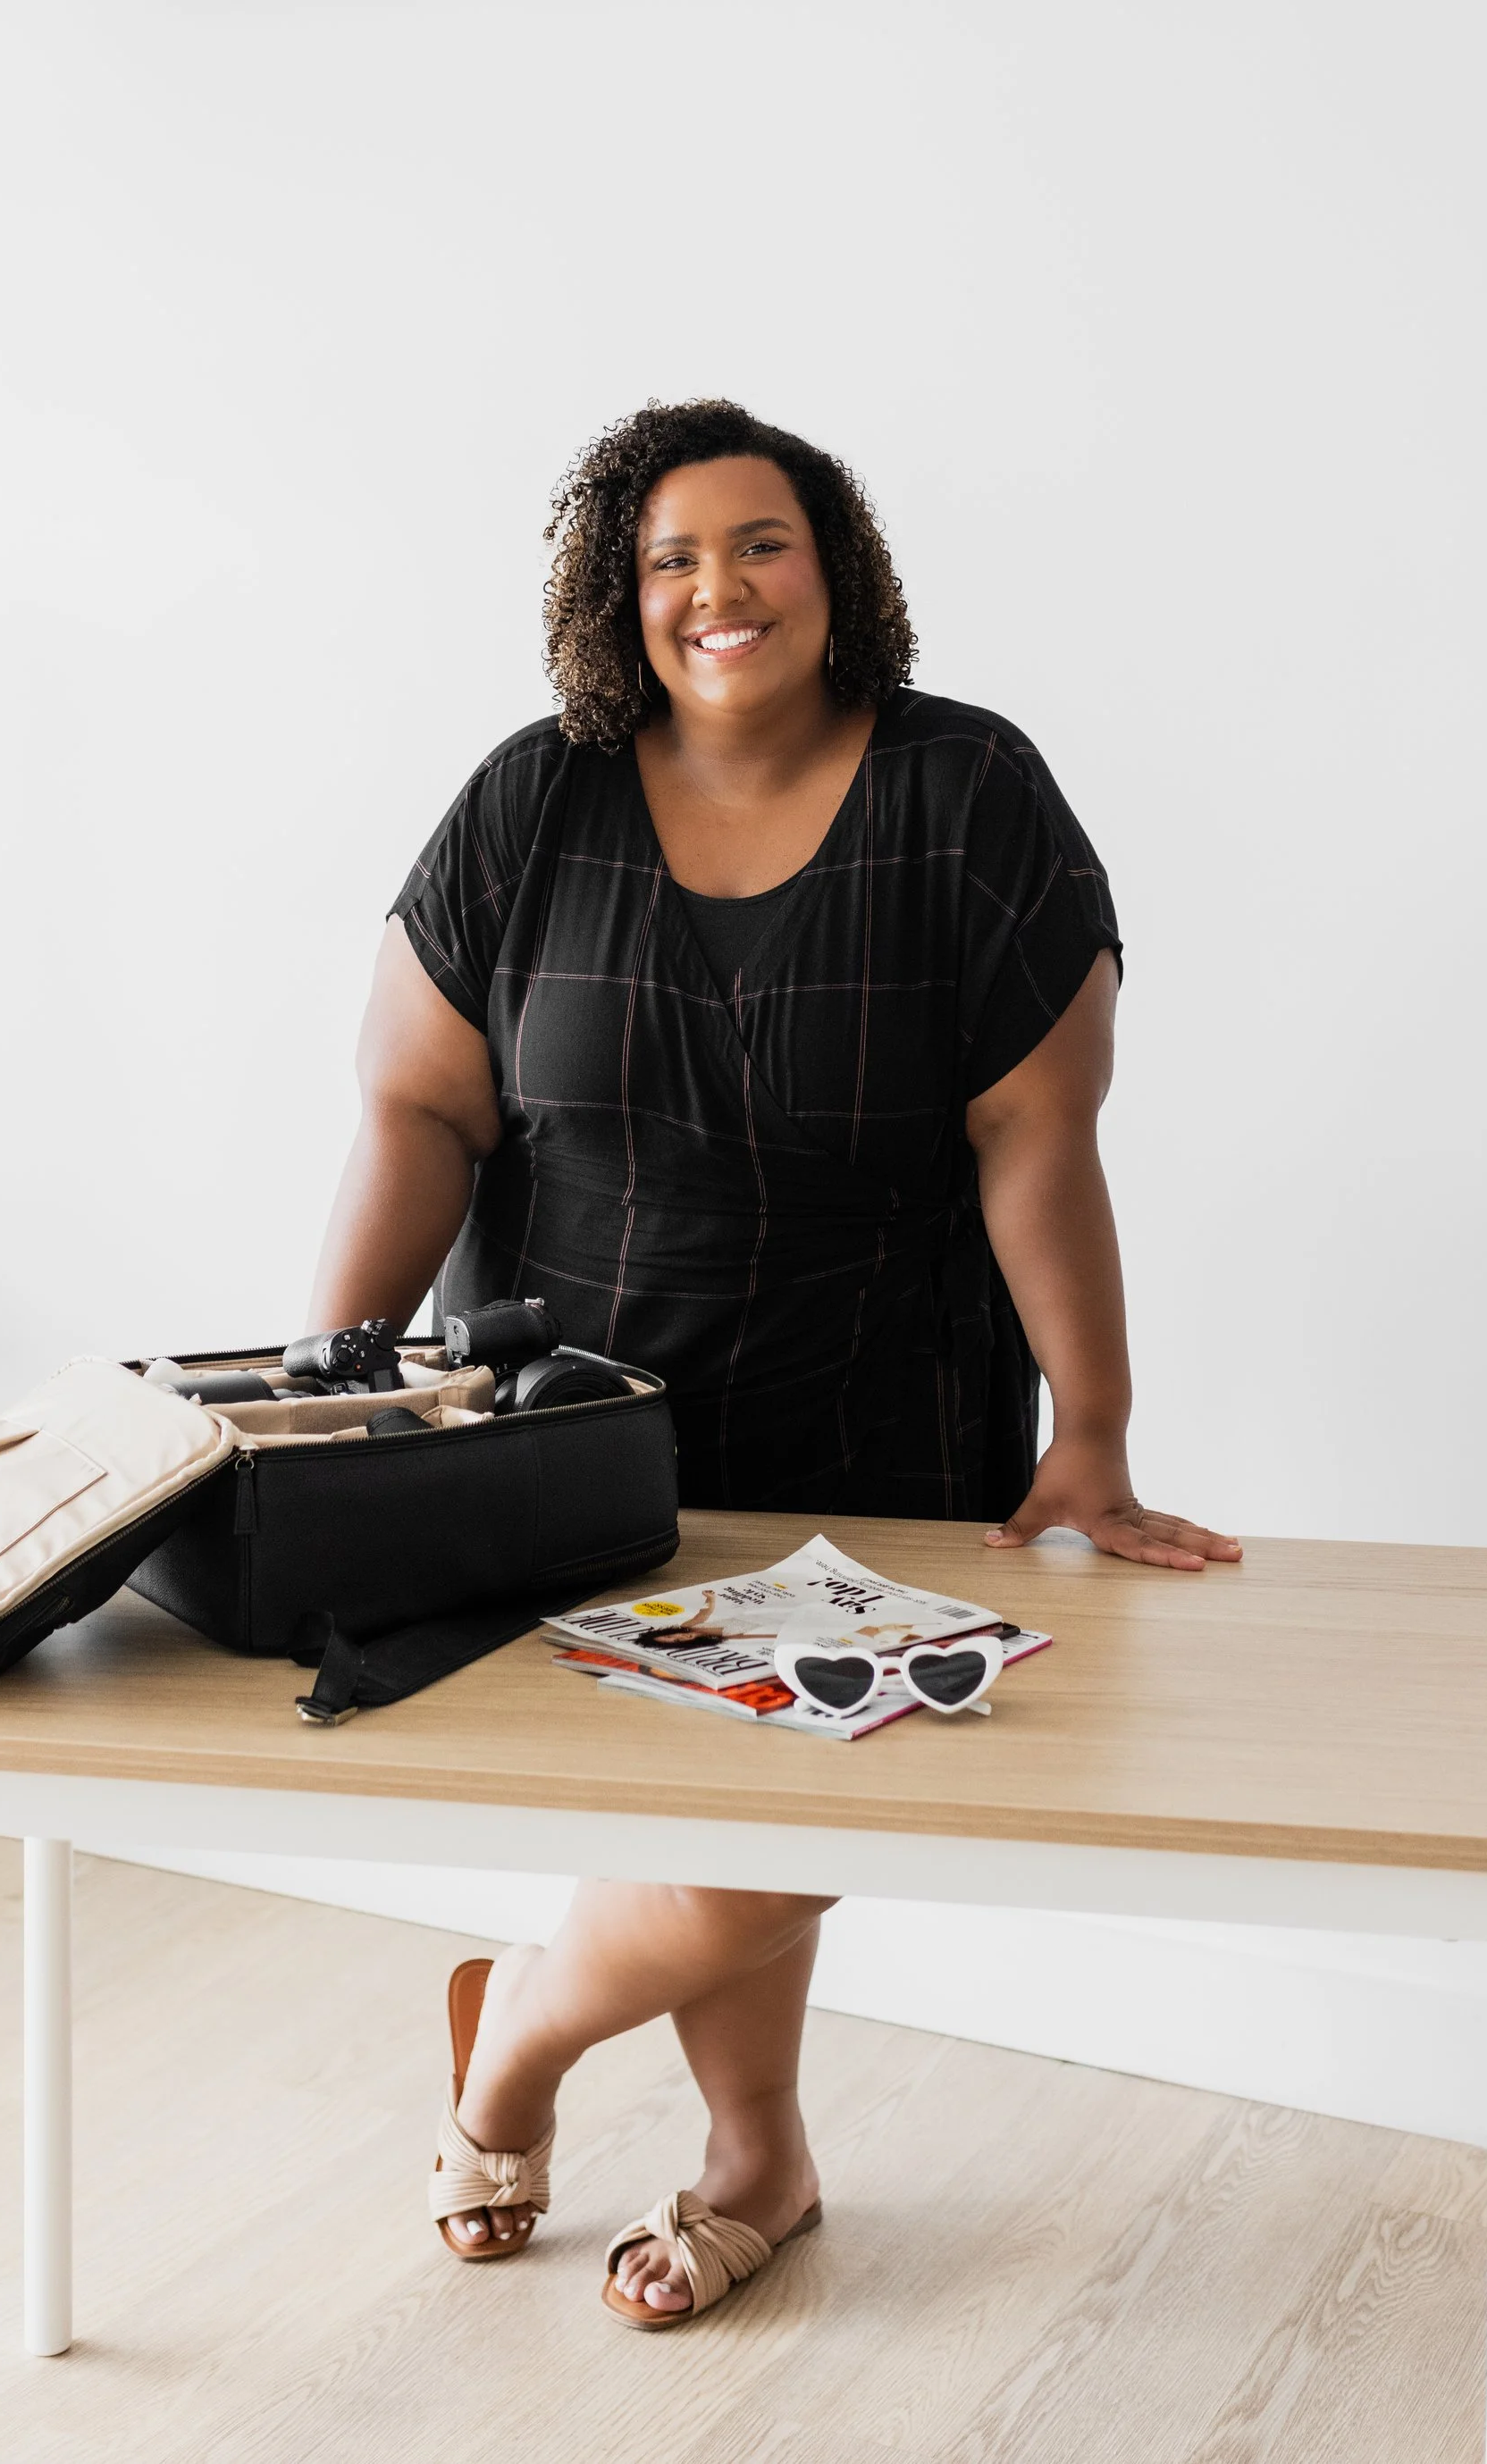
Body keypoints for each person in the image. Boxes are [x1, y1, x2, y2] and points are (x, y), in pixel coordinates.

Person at [307, 398, 1238, 2326]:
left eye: (759, 544)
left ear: (835, 571)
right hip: (571, 1434)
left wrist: (1095, 1427)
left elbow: (1037, 1135)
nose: (715, 589)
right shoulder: (532, 801)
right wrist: (339, 1375)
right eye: (669, 557)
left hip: (874, 1420)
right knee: (709, 1823)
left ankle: (513, 2042)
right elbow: (418, 1108)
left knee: (783, 1821)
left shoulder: (967, 792)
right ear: (618, 594)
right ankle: (762, 2156)